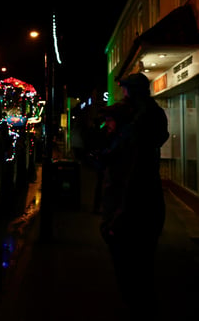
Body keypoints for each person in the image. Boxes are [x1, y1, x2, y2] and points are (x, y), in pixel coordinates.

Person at [98, 72, 169, 319]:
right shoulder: (153, 116)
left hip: (127, 208)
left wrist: (114, 218)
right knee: (143, 268)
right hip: (148, 204)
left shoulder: (132, 128)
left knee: (129, 270)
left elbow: (123, 174)